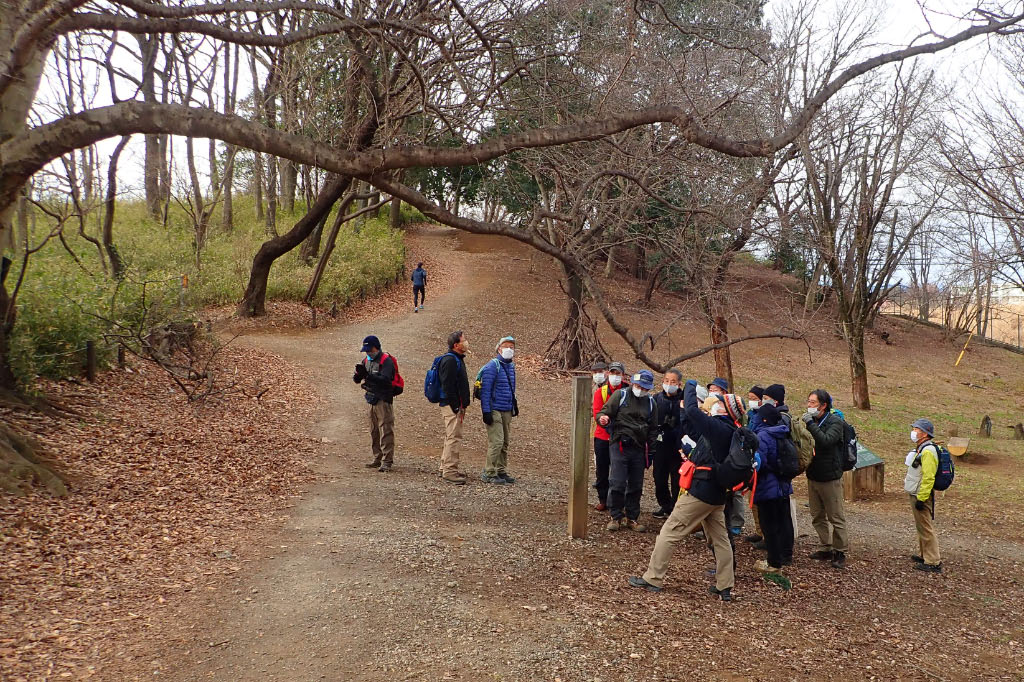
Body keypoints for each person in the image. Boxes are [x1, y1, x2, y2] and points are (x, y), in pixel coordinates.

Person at [627, 380, 740, 601]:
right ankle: (724, 585)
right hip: (718, 494)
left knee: (669, 532)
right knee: (721, 539)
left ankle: (653, 578)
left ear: (725, 410)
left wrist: (689, 386)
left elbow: (690, 410)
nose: (713, 405)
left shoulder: (717, 427)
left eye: (718, 403)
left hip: (701, 492)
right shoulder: (732, 431)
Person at [596, 369, 658, 532]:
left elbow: (653, 429)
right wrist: (603, 419)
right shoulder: (620, 395)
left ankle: (632, 517)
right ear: (633, 383)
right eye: (639, 386)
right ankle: (615, 515)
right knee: (617, 481)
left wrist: (651, 452)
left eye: (645, 388)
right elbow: (603, 412)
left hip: (639, 447)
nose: (641, 389)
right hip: (619, 444)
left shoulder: (651, 403)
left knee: (636, 484)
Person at [803, 389, 849, 569]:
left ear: (823, 405)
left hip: (830, 476)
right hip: (813, 474)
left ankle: (840, 550)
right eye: (808, 402)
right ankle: (825, 546)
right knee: (817, 514)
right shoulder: (811, 421)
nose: (809, 406)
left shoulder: (835, 422)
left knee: (835, 516)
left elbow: (826, 440)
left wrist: (810, 425)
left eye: (813, 403)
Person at [751, 403, 795, 572]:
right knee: (784, 521)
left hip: (767, 487)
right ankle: (786, 554)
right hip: (783, 484)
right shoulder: (783, 432)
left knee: (769, 525)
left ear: (763, 419)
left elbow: (759, 462)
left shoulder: (762, 436)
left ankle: (774, 562)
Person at [352, 335, 396, 472]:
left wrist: (368, 376)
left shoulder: (387, 361)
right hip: (370, 399)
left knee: (386, 430)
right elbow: (357, 380)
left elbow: (386, 380)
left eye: (369, 350)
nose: (367, 353)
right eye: (366, 350)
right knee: (374, 430)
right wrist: (358, 375)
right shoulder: (366, 360)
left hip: (383, 399)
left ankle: (387, 460)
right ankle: (377, 457)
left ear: (376, 347)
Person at [905, 418, 942, 572]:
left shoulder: (928, 451)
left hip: (921, 495)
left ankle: (933, 561)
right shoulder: (923, 448)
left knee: (925, 527)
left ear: (925, 434)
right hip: (917, 492)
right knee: (921, 525)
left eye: (917, 429)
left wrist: (921, 498)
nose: (914, 432)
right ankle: (925, 554)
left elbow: (928, 477)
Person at [480, 336, 518, 484]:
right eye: (506, 346)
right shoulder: (492, 366)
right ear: (499, 348)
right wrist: (486, 412)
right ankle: (489, 472)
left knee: (505, 442)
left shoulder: (511, 367)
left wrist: (513, 406)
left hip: (506, 409)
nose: (509, 349)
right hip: (494, 408)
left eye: (512, 347)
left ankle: (501, 470)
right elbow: (486, 391)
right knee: (497, 441)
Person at [437, 331, 471, 485]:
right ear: (456, 345)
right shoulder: (451, 360)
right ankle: (450, 471)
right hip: (452, 406)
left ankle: (445, 467)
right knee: (454, 437)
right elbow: (447, 385)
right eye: (463, 340)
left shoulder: (456, 359)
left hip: (454, 405)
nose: (466, 342)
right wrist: (456, 406)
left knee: (450, 436)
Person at [592, 361, 626, 510]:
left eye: (618, 373)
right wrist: (603, 420)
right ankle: (603, 499)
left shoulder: (628, 391)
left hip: (621, 436)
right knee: (602, 469)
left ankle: (618, 501)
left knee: (619, 471)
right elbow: (597, 413)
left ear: (622, 375)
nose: (614, 376)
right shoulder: (601, 392)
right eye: (612, 373)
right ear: (608, 374)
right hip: (602, 436)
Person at [652, 369, 684, 519]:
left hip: (678, 447)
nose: (669, 384)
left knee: (677, 480)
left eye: (672, 382)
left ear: (679, 384)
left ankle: (674, 507)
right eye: (666, 381)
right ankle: (664, 505)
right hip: (660, 445)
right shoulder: (656, 398)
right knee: (659, 477)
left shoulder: (684, 401)